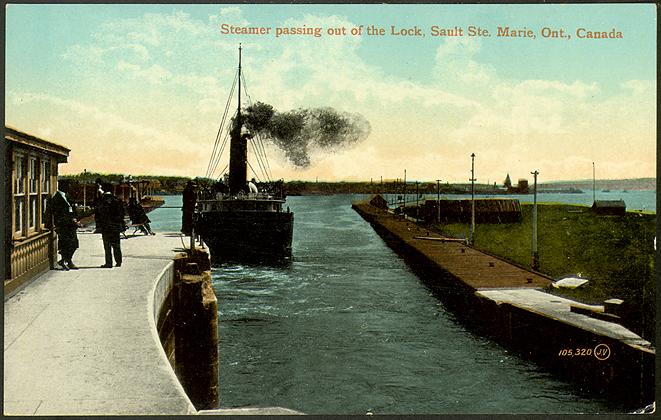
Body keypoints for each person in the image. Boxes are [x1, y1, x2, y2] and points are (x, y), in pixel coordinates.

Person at [45, 183, 80, 270]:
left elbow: (72, 209)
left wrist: (75, 218)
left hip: (71, 225)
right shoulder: (56, 198)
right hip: (63, 225)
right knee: (65, 244)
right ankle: (66, 261)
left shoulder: (67, 196)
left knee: (74, 244)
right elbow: (54, 213)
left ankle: (67, 260)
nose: (70, 188)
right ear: (64, 186)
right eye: (69, 186)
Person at [96, 183, 125, 268]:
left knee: (107, 246)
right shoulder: (117, 200)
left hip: (106, 227)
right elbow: (121, 214)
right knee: (116, 245)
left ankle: (109, 263)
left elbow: (98, 214)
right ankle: (118, 262)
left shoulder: (102, 200)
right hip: (115, 226)